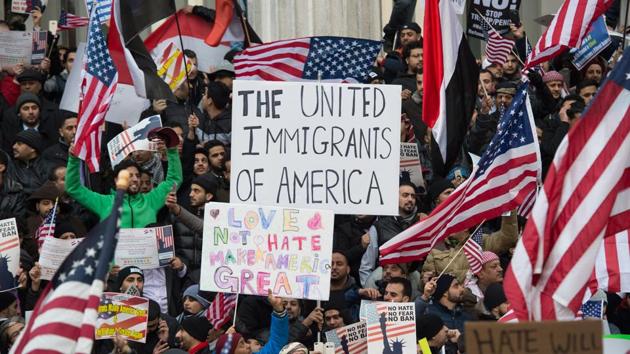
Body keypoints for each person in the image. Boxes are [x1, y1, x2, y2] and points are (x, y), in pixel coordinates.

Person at [66, 132, 183, 228]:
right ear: (117, 180)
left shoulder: (151, 200)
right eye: (129, 175)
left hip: (147, 257)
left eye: (137, 175)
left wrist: (172, 151)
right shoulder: (104, 203)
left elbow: (174, 179)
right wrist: (73, 159)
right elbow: (74, 188)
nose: (135, 179)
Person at [359, 182, 420, 285]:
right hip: (383, 284)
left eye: (413, 196)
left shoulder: (421, 223)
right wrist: (369, 290)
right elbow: (366, 266)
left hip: (412, 285)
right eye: (405, 195)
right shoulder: (379, 226)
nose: (410, 199)